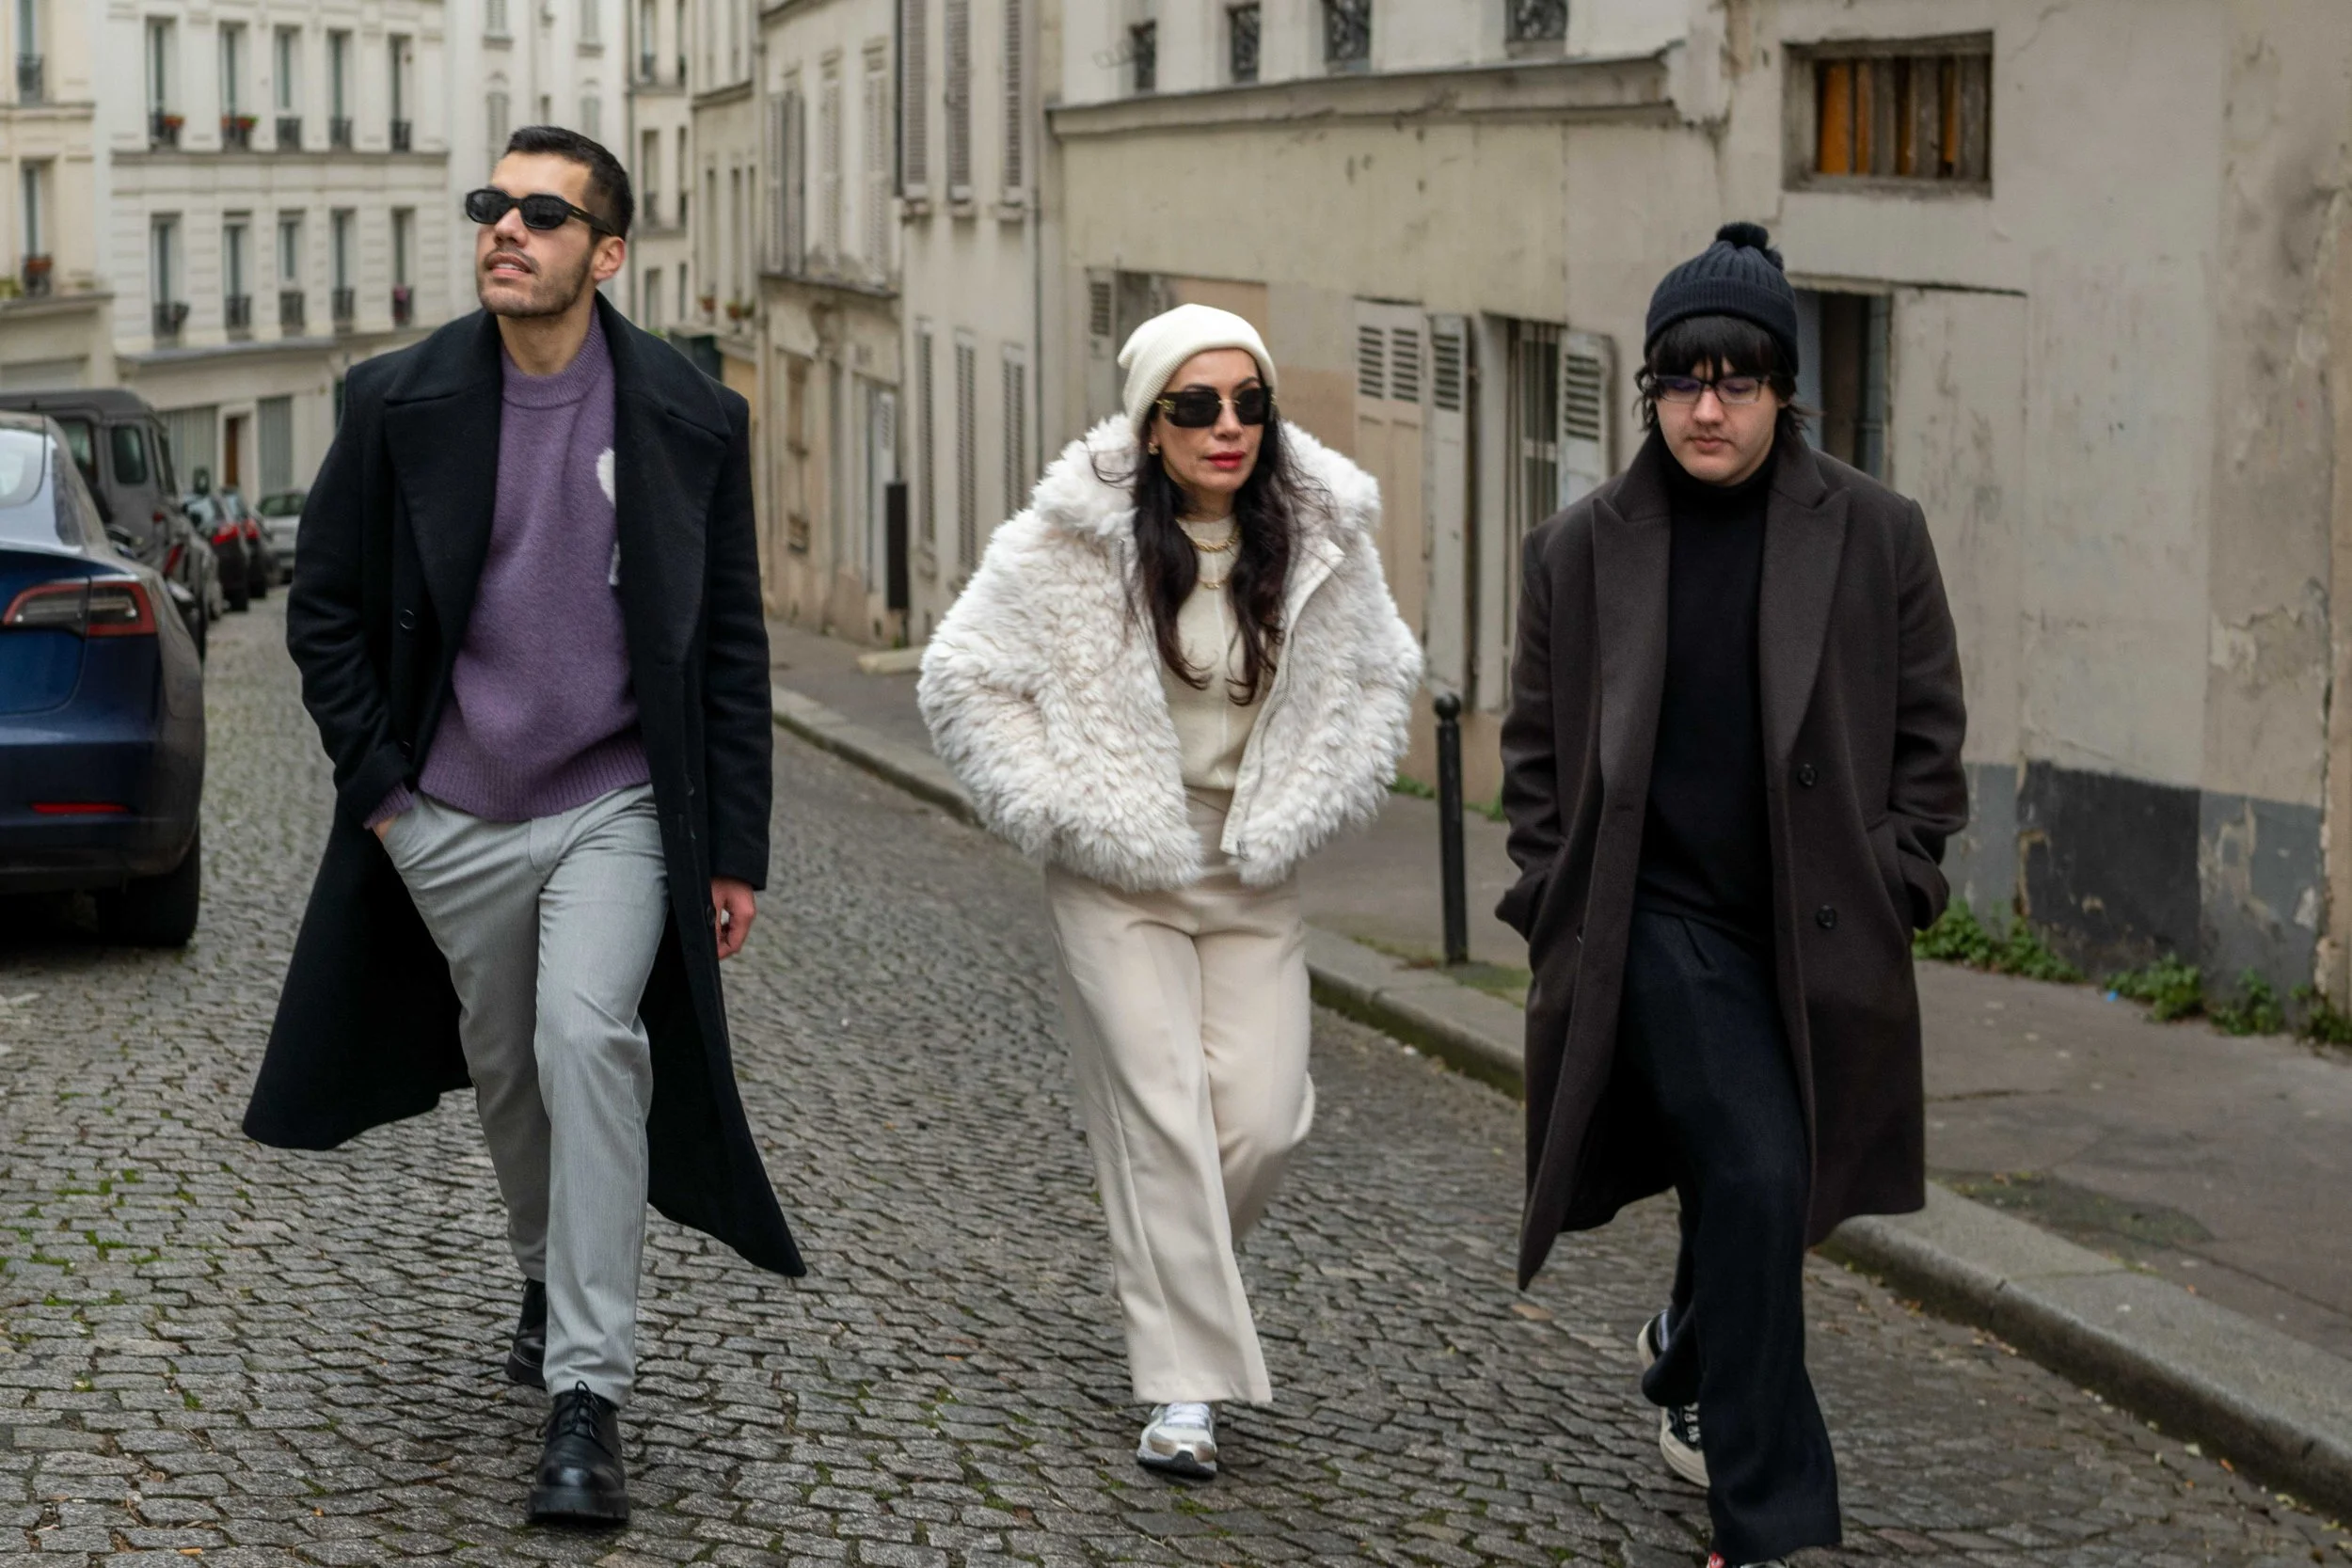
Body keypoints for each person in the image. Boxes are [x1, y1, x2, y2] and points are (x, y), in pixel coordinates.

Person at [244, 126, 802, 1528]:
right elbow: (324, 611)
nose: (506, 229)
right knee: (510, 1072)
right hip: (450, 812)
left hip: (616, 799)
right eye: (493, 205)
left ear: (606, 254)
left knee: (587, 1039)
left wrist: (732, 844)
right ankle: (549, 1266)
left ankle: (587, 1392)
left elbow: (726, 642)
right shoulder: (394, 400)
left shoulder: (687, 412)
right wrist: (386, 794)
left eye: (542, 215)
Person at [1495, 223, 1967, 1568]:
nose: (1710, 406)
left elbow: (1929, 726)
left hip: (1816, 928)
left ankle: (1687, 1340)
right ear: (1649, 389)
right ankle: (1776, 1525)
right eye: (1685, 378)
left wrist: (1904, 871)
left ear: (1782, 392)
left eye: (1740, 379)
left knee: (1758, 1180)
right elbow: (1534, 749)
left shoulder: (1877, 530)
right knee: (1759, 1163)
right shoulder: (1578, 548)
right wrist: (1550, 892)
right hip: (1653, 921)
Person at [918, 305, 1422, 1480]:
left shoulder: (1322, 531)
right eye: (1196, 407)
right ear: (1151, 427)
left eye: (1247, 403)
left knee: (1257, 1117)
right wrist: (1059, 807)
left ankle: (1165, 1275)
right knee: (1158, 1110)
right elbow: (961, 676)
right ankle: (1180, 1392)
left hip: (1253, 864)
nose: (1227, 426)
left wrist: (1317, 790)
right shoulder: (1064, 543)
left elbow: (1381, 670)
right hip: (1118, 866)